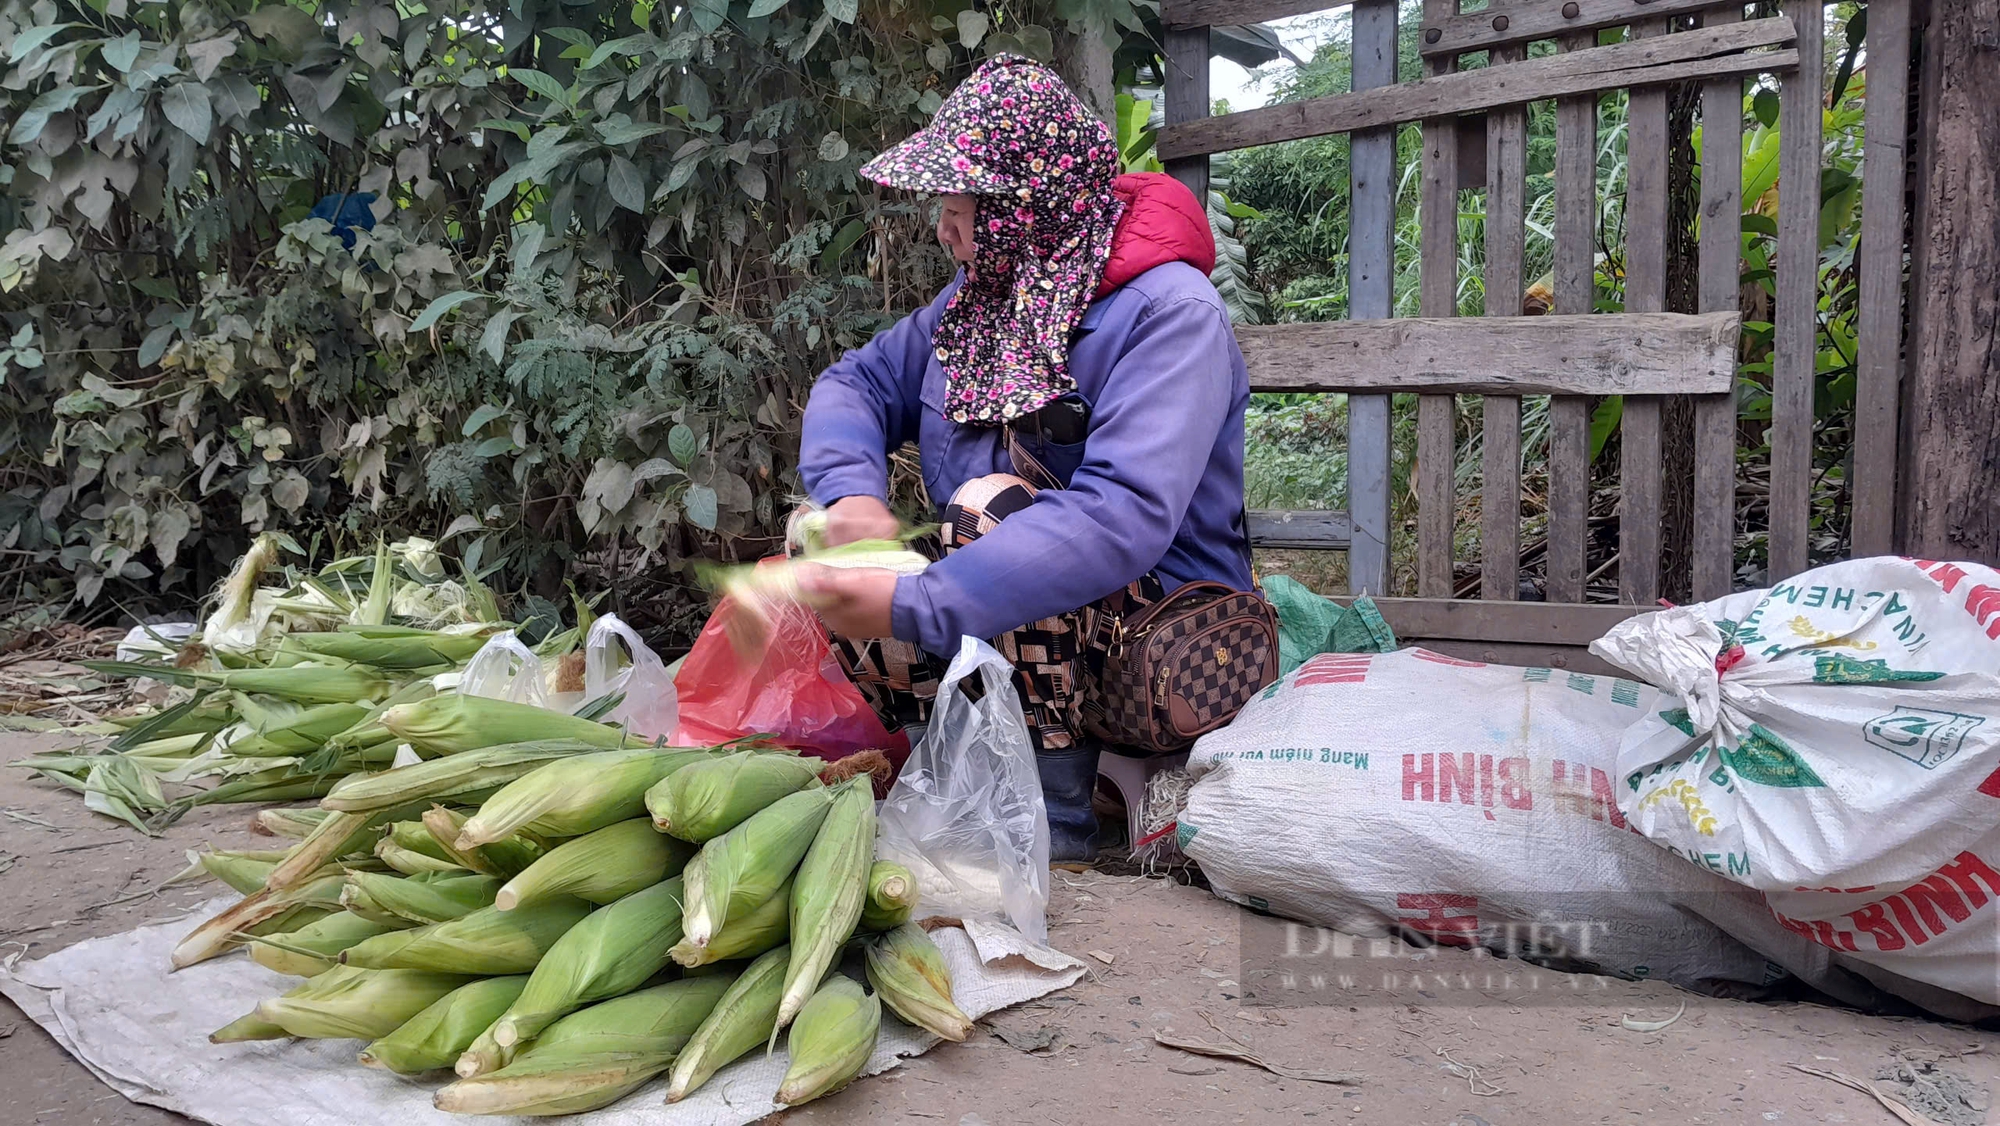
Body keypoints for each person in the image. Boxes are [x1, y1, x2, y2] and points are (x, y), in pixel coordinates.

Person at [794, 55, 1253, 860]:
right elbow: (857, 382)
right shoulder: (984, 302)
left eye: (963, 204)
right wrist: (848, 498)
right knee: (820, 540)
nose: (945, 226)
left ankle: (1049, 817)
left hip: (1160, 652)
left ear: (1025, 208)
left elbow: (1119, 518)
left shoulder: (1171, 314)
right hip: (1003, 622)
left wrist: (917, 605)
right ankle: (952, 771)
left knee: (989, 509)